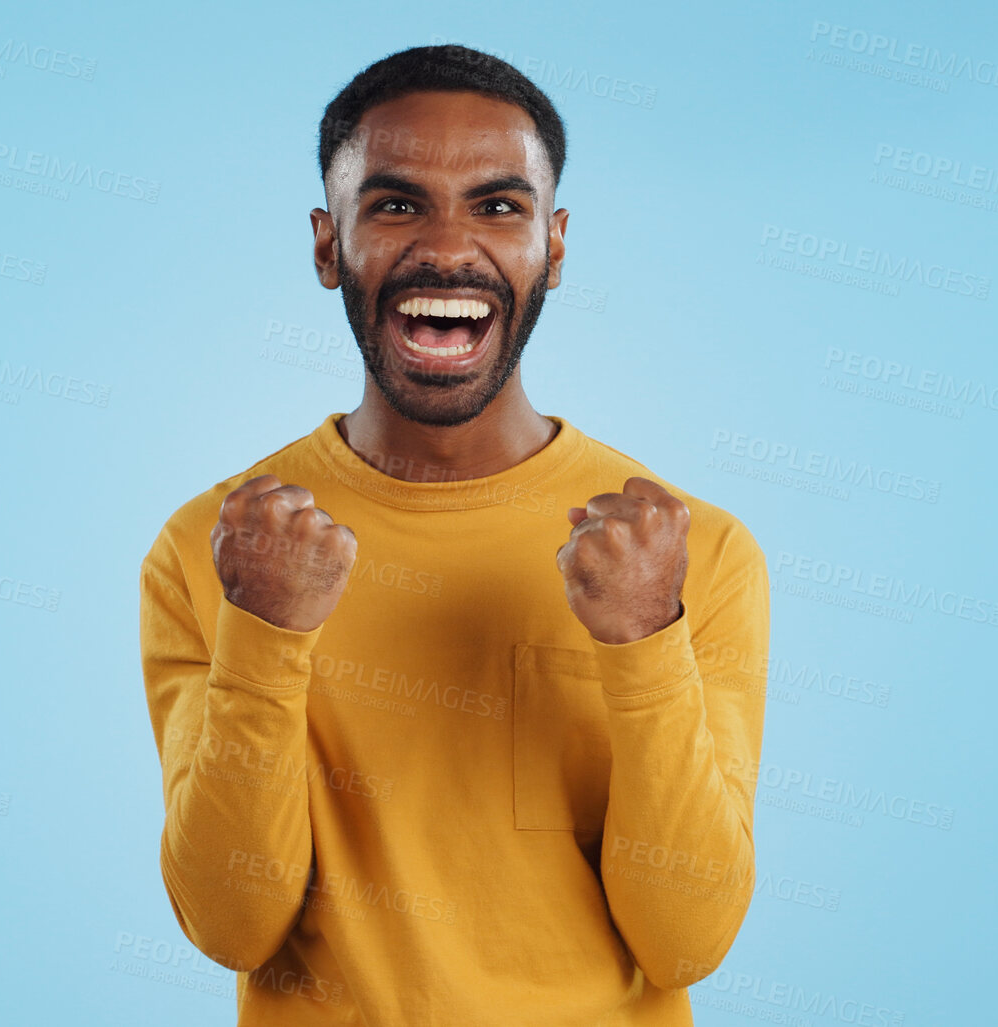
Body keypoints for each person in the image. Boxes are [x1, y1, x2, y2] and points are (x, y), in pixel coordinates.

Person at [137, 44, 771, 1025]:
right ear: (326, 244)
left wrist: (645, 642)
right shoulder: (216, 548)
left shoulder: (694, 554)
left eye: (498, 206)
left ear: (554, 247)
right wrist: (264, 632)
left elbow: (686, 941)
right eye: (394, 204)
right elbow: (232, 924)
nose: (446, 247)